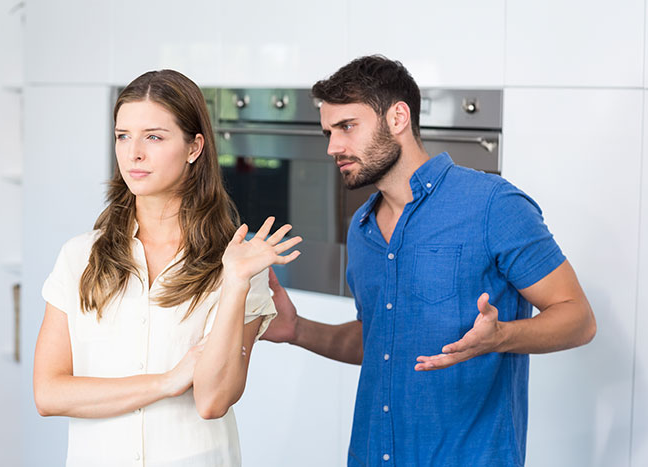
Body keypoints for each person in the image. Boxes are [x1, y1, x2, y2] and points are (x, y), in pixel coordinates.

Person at [262, 55, 596, 466]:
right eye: (329, 132)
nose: (334, 147)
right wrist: (297, 329)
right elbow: (377, 341)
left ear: (398, 117)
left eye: (347, 126)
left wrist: (501, 337)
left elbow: (579, 318)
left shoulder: (493, 205)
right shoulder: (363, 228)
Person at [33, 69, 301, 467]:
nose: (133, 153)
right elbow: (49, 394)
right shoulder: (79, 257)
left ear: (194, 148)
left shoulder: (237, 264)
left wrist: (235, 284)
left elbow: (213, 400)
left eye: (153, 137)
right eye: (123, 136)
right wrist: (166, 382)